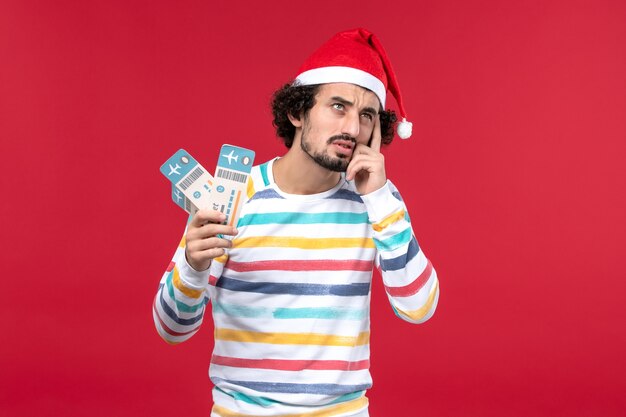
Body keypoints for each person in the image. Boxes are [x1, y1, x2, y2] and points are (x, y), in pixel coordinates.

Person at [153, 28, 440, 417]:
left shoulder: (376, 202)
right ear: (297, 111)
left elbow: (418, 306)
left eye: (367, 115)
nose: (353, 129)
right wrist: (193, 265)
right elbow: (172, 329)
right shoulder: (234, 194)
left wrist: (378, 197)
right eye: (338, 107)